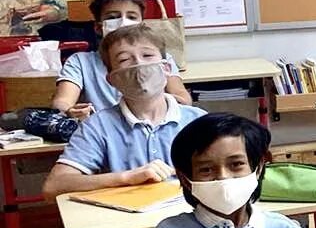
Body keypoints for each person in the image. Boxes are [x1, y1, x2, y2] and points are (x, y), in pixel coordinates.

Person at [129, 112, 316, 228]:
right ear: (186, 179)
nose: (222, 177)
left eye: (236, 164)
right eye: (206, 169)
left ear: (258, 168)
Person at [45, 24, 204, 198]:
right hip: (126, 221)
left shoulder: (198, 122)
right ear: (112, 79)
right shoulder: (98, 126)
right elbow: (54, 186)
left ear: (166, 68)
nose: (138, 64)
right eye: (124, 60)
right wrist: (126, 177)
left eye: (147, 55)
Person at [52, 0, 190, 118]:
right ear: (99, 27)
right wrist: (70, 110)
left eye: (131, 16)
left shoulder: (160, 58)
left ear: (142, 24)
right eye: (113, 17)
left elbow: (182, 97)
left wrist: (161, 101)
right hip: (104, 131)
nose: (123, 22)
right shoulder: (80, 62)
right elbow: (62, 101)